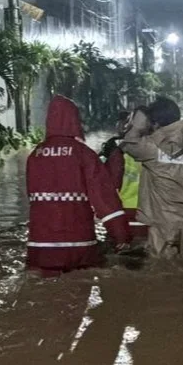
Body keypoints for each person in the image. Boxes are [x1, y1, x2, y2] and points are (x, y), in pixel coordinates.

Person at [26, 95, 130, 273]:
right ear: (74, 120)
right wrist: (120, 235)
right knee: (80, 294)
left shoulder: (35, 156)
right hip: (79, 244)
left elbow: (32, 198)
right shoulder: (84, 154)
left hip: (40, 247)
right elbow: (104, 199)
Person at [120, 96, 183, 258]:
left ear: (155, 124)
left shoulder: (151, 149)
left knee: (162, 271)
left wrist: (138, 122)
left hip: (162, 226)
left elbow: (128, 141)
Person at [100, 108, 152, 241]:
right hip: (151, 213)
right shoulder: (158, 151)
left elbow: (107, 186)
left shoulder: (118, 151)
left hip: (124, 213)